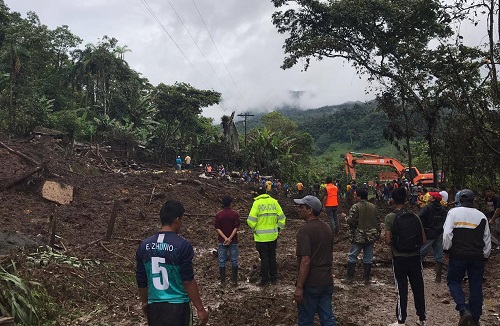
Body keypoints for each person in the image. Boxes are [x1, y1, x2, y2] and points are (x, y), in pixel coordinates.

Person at [135, 200, 208, 326]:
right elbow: (187, 280)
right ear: (177, 220)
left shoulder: (144, 245)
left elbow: (141, 279)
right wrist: (200, 308)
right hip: (178, 307)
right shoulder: (182, 245)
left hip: (155, 307)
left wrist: (144, 302)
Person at [444, 189, 491, 326]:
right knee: (476, 286)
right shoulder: (481, 216)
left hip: (458, 255)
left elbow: (447, 234)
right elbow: (486, 239)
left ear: (459, 200)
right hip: (477, 256)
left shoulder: (453, 213)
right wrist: (486, 256)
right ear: (473, 200)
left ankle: (463, 309)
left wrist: (447, 249)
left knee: (453, 281)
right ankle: (475, 319)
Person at [385, 187, 427, 326]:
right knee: (418, 288)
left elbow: (388, 240)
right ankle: (422, 318)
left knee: (401, 289)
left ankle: (401, 320)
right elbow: (423, 239)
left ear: (392, 200)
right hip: (415, 257)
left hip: (399, 258)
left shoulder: (390, 217)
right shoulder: (415, 216)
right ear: (406, 199)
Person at [293, 195, 337, 326]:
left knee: (306, 319)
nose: (299, 209)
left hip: (311, 282)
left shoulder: (304, 231)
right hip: (326, 281)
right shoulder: (327, 228)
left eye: (302, 207)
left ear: (310, 210)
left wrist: (299, 287)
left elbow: (306, 260)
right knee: (327, 317)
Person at [247, 186, 286, 286]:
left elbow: (250, 221)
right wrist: (277, 229)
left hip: (261, 237)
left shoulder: (257, 203)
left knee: (264, 258)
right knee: (272, 257)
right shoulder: (274, 202)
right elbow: (282, 218)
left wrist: (255, 229)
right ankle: (274, 278)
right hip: (273, 236)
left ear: (258, 193)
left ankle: (265, 280)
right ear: (266, 192)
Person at [342, 189, 380, 285]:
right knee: (368, 257)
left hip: (358, 236)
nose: (354, 197)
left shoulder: (355, 207)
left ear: (359, 197)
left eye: (356, 195)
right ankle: (366, 279)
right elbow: (378, 221)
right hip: (371, 236)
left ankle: (349, 278)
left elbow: (351, 222)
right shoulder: (373, 207)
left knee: (352, 256)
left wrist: (345, 217)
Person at [419, 191, 448, 283]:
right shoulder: (444, 210)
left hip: (429, 233)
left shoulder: (427, 208)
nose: (429, 197)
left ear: (434, 199)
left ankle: (416, 274)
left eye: (431, 197)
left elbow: (420, 218)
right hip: (439, 234)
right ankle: (438, 277)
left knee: (420, 254)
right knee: (439, 255)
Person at [214, 196, 240, 286]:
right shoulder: (235, 214)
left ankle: (223, 282)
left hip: (222, 240)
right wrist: (230, 238)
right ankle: (234, 281)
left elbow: (217, 228)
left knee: (222, 261)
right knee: (234, 260)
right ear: (231, 203)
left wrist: (225, 238)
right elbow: (236, 227)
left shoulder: (218, 215)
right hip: (234, 240)